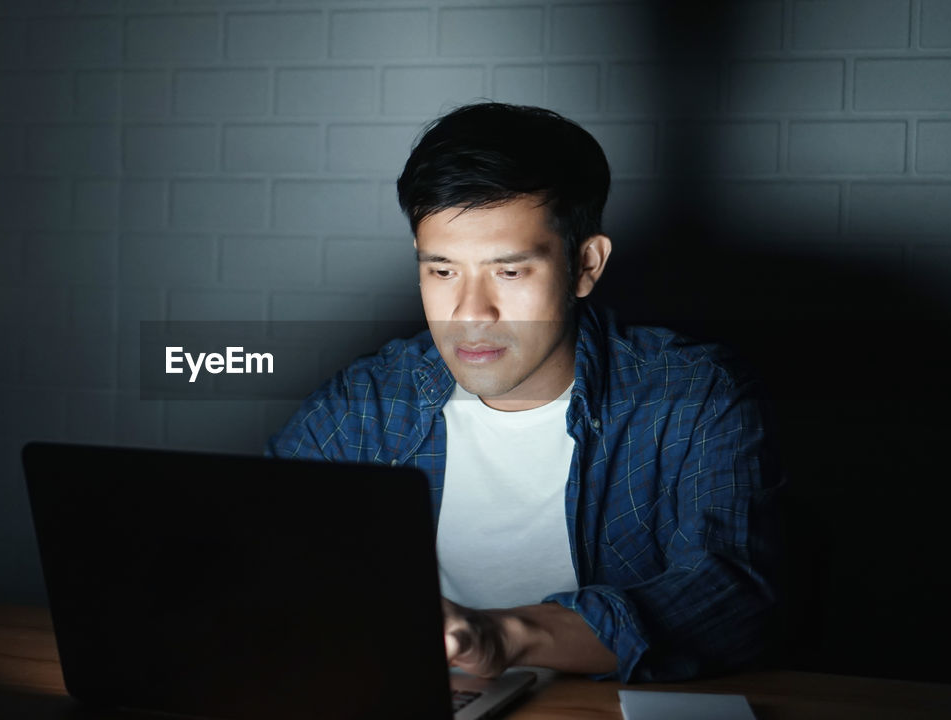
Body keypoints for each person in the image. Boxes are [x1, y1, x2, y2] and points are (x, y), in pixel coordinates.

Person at [266, 102, 779, 683]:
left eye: (508, 272)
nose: (468, 315)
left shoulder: (691, 394)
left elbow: (733, 597)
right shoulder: (372, 399)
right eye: (441, 271)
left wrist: (504, 636)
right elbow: (254, 545)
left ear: (586, 265)